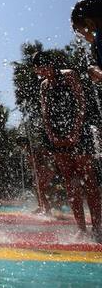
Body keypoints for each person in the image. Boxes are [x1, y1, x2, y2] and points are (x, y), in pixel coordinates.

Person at [33, 51, 102, 241]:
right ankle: (81, 228)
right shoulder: (44, 85)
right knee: (69, 181)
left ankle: (97, 227)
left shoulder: (69, 75)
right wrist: (52, 135)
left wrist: (76, 132)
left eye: (42, 69)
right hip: (57, 135)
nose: (41, 73)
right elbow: (45, 112)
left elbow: (81, 103)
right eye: (38, 71)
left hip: (79, 133)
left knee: (89, 180)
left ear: (50, 65)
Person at [72, 0, 102, 84]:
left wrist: (96, 71)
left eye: (79, 33)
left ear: (90, 23)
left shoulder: (99, 38)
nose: (81, 38)